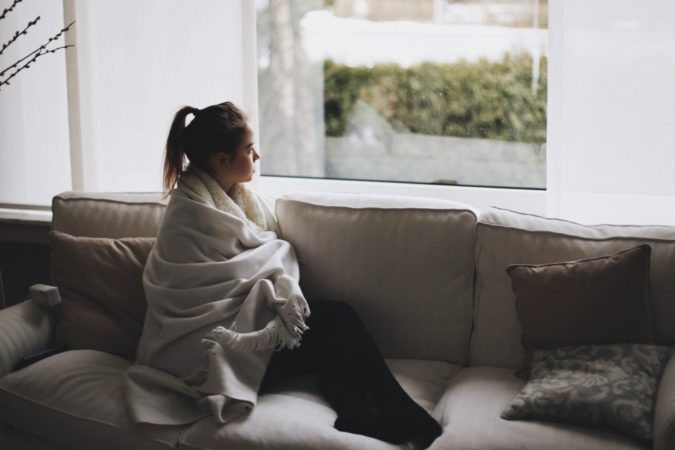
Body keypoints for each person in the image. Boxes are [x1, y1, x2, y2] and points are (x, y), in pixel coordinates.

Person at [124, 101, 442, 447]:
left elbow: (249, 263)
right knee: (337, 320)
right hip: (205, 354)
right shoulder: (191, 215)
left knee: (330, 331)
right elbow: (210, 285)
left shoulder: (233, 200)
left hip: (240, 332)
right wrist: (273, 275)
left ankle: (360, 413)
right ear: (221, 160)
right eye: (249, 149)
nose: (257, 156)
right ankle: (408, 418)